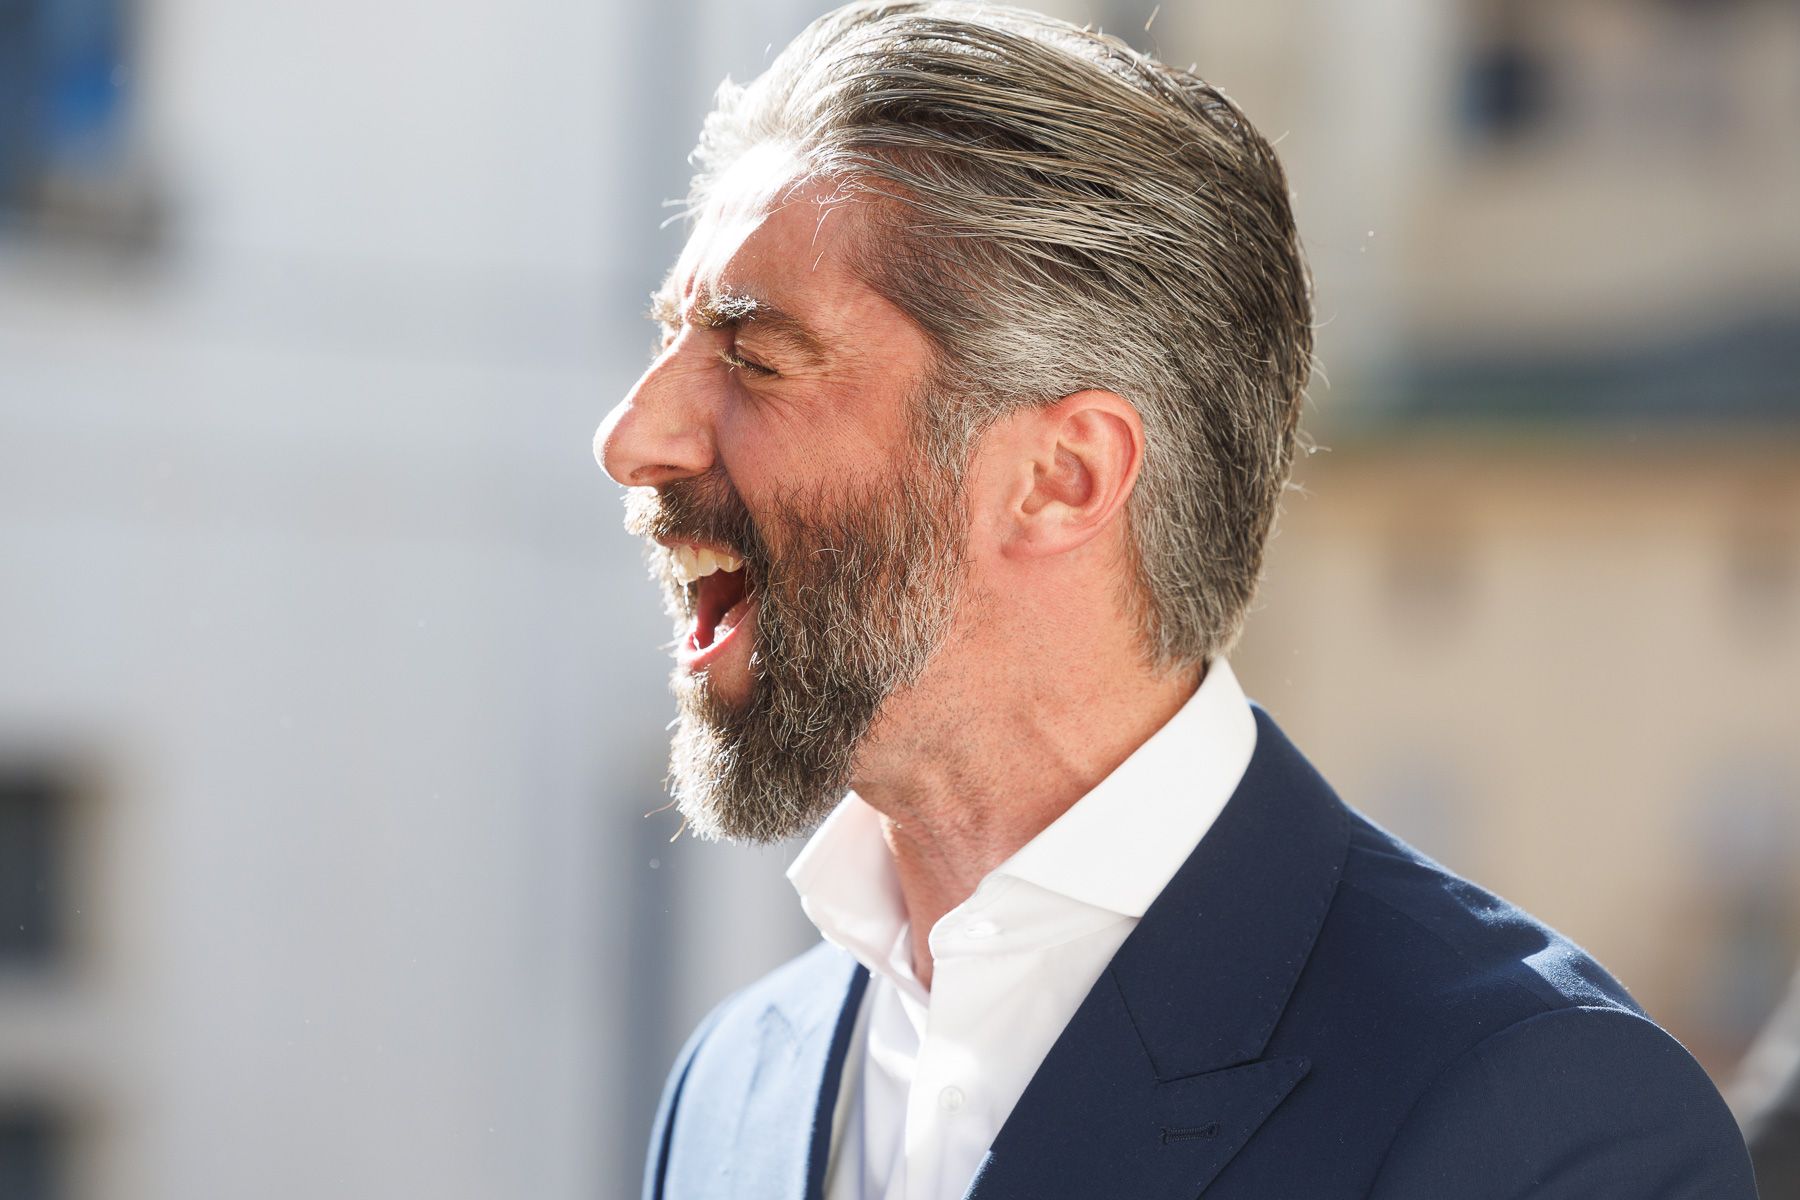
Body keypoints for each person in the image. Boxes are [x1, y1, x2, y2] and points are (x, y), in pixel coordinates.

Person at [595, 3, 1758, 1196]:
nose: (629, 437)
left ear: (1064, 476)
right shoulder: (735, 1086)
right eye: (670, 341)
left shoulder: (1541, 1120)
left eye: (754, 356)